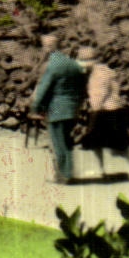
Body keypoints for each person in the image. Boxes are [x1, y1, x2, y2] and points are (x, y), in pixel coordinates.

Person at [79, 45, 129, 182]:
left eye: (85, 61)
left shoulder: (99, 74)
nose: (83, 65)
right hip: (112, 110)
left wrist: (94, 112)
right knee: (99, 143)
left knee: (117, 144)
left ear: (93, 60)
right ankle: (103, 169)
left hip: (105, 111)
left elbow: (99, 96)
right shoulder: (105, 70)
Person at [31, 29, 86, 184]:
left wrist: (36, 107)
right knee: (67, 141)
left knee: (57, 143)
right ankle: (68, 172)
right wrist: (78, 105)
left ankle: (62, 175)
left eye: (44, 46)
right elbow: (82, 87)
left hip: (56, 108)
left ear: (48, 47)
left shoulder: (53, 65)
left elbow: (44, 88)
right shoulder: (73, 64)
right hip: (72, 108)